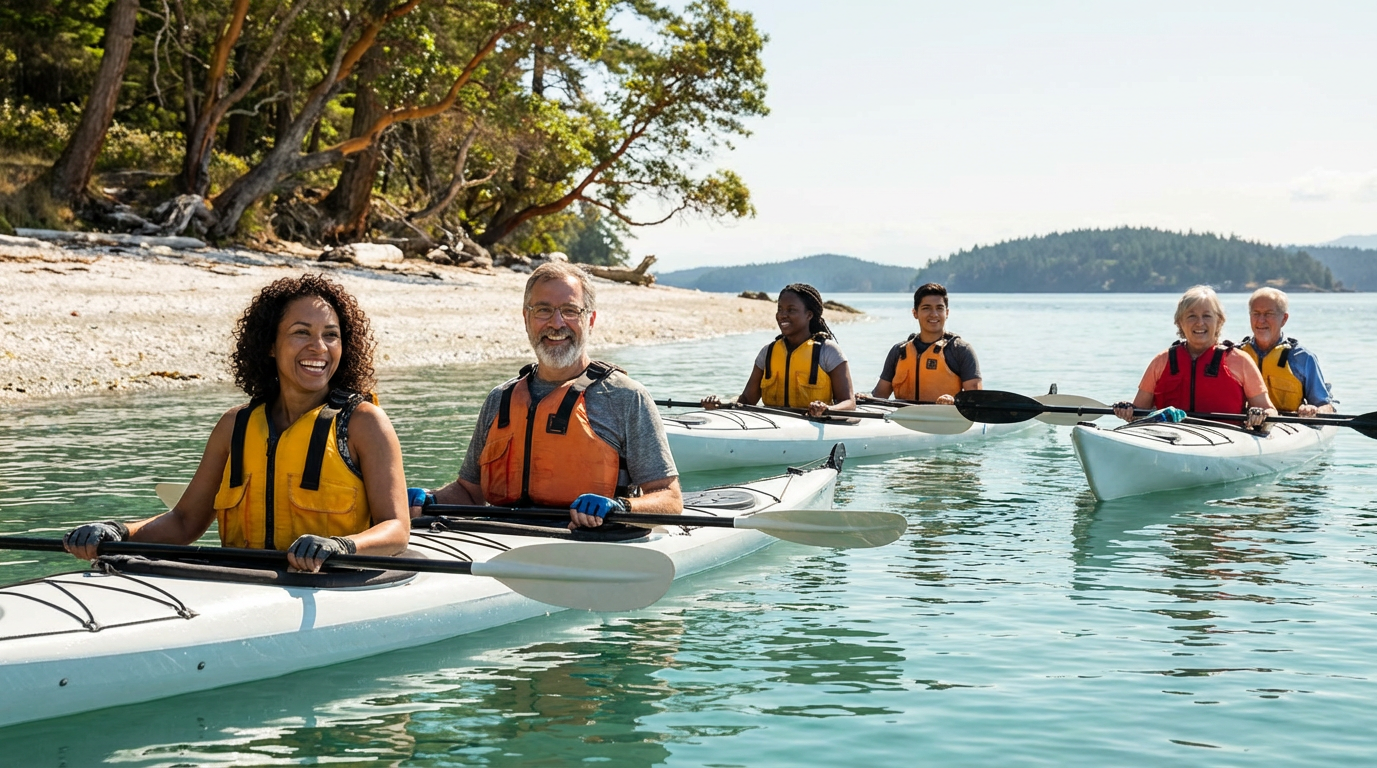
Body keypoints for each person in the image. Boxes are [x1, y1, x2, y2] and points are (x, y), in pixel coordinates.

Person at [63, 274, 410, 572]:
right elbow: (184, 522)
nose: (318, 347)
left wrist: (340, 546)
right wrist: (119, 532)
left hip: (334, 584)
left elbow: (396, 529)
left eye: (331, 335)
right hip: (242, 583)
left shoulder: (364, 423)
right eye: (301, 333)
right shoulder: (235, 426)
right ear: (270, 345)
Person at [409, 262, 682, 530]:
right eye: (543, 310)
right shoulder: (499, 398)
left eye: (570, 310)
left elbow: (670, 499)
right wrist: (431, 499)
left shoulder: (626, 397)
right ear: (526, 318)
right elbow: (469, 493)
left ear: (591, 320)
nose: (557, 323)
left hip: (592, 543)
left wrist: (622, 508)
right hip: (502, 539)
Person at [1113, 285, 1276, 429]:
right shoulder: (1161, 361)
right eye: (1191, 316)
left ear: (1219, 321)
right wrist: (1127, 410)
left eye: (1207, 316)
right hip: (1167, 438)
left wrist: (1260, 415)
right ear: (1179, 322)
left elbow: (1270, 411)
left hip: (1225, 440)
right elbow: (1138, 413)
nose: (1199, 323)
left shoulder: (1240, 361)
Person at [701, 283, 856, 417]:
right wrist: (720, 405)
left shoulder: (828, 351)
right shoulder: (767, 353)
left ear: (809, 315)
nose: (782, 315)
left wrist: (827, 409)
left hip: (814, 426)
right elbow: (747, 400)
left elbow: (849, 403)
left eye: (791, 310)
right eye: (780, 309)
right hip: (774, 427)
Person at [870, 282, 981, 404]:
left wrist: (955, 401)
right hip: (904, 420)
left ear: (947, 313)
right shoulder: (899, 351)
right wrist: (864, 398)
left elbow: (975, 401)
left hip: (947, 419)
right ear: (915, 313)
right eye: (926, 308)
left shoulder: (960, 350)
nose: (934, 314)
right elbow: (879, 396)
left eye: (939, 308)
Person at [1239, 287, 1335, 417]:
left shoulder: (1303, 358)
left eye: (1268, 314)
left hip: (1288, 427)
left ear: (1284, 319)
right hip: (1244, 427)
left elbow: (1325, 405)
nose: (1261, 320)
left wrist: (1314, 410)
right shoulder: (1236, 355)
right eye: (1256, 313)